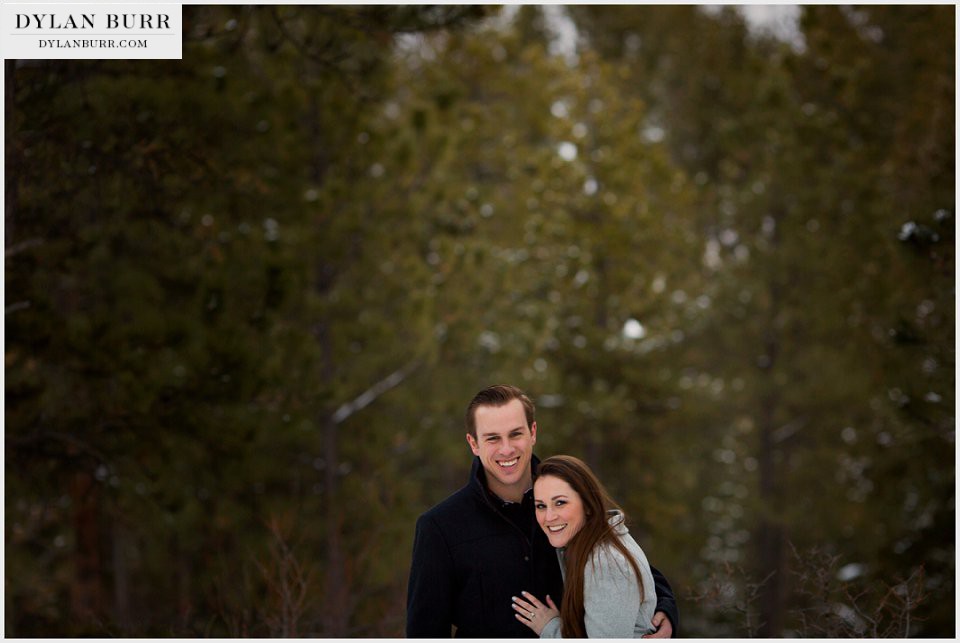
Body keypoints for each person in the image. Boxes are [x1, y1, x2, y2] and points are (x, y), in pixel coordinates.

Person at [406, 384, 678, 638]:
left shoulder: (565, 503)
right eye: (492, 438)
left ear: (533, 432)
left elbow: (618, 561)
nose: (507, 449)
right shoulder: (440, 527)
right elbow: (425, 631)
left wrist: (664, 607)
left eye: (516, 434)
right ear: (473, 443)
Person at [512, 455, 661, 638]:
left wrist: (550, 628)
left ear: (588, 505)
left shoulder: (605, 563)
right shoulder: (596, 539)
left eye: (560, 503)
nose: (549, 517)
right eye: (541, 506)